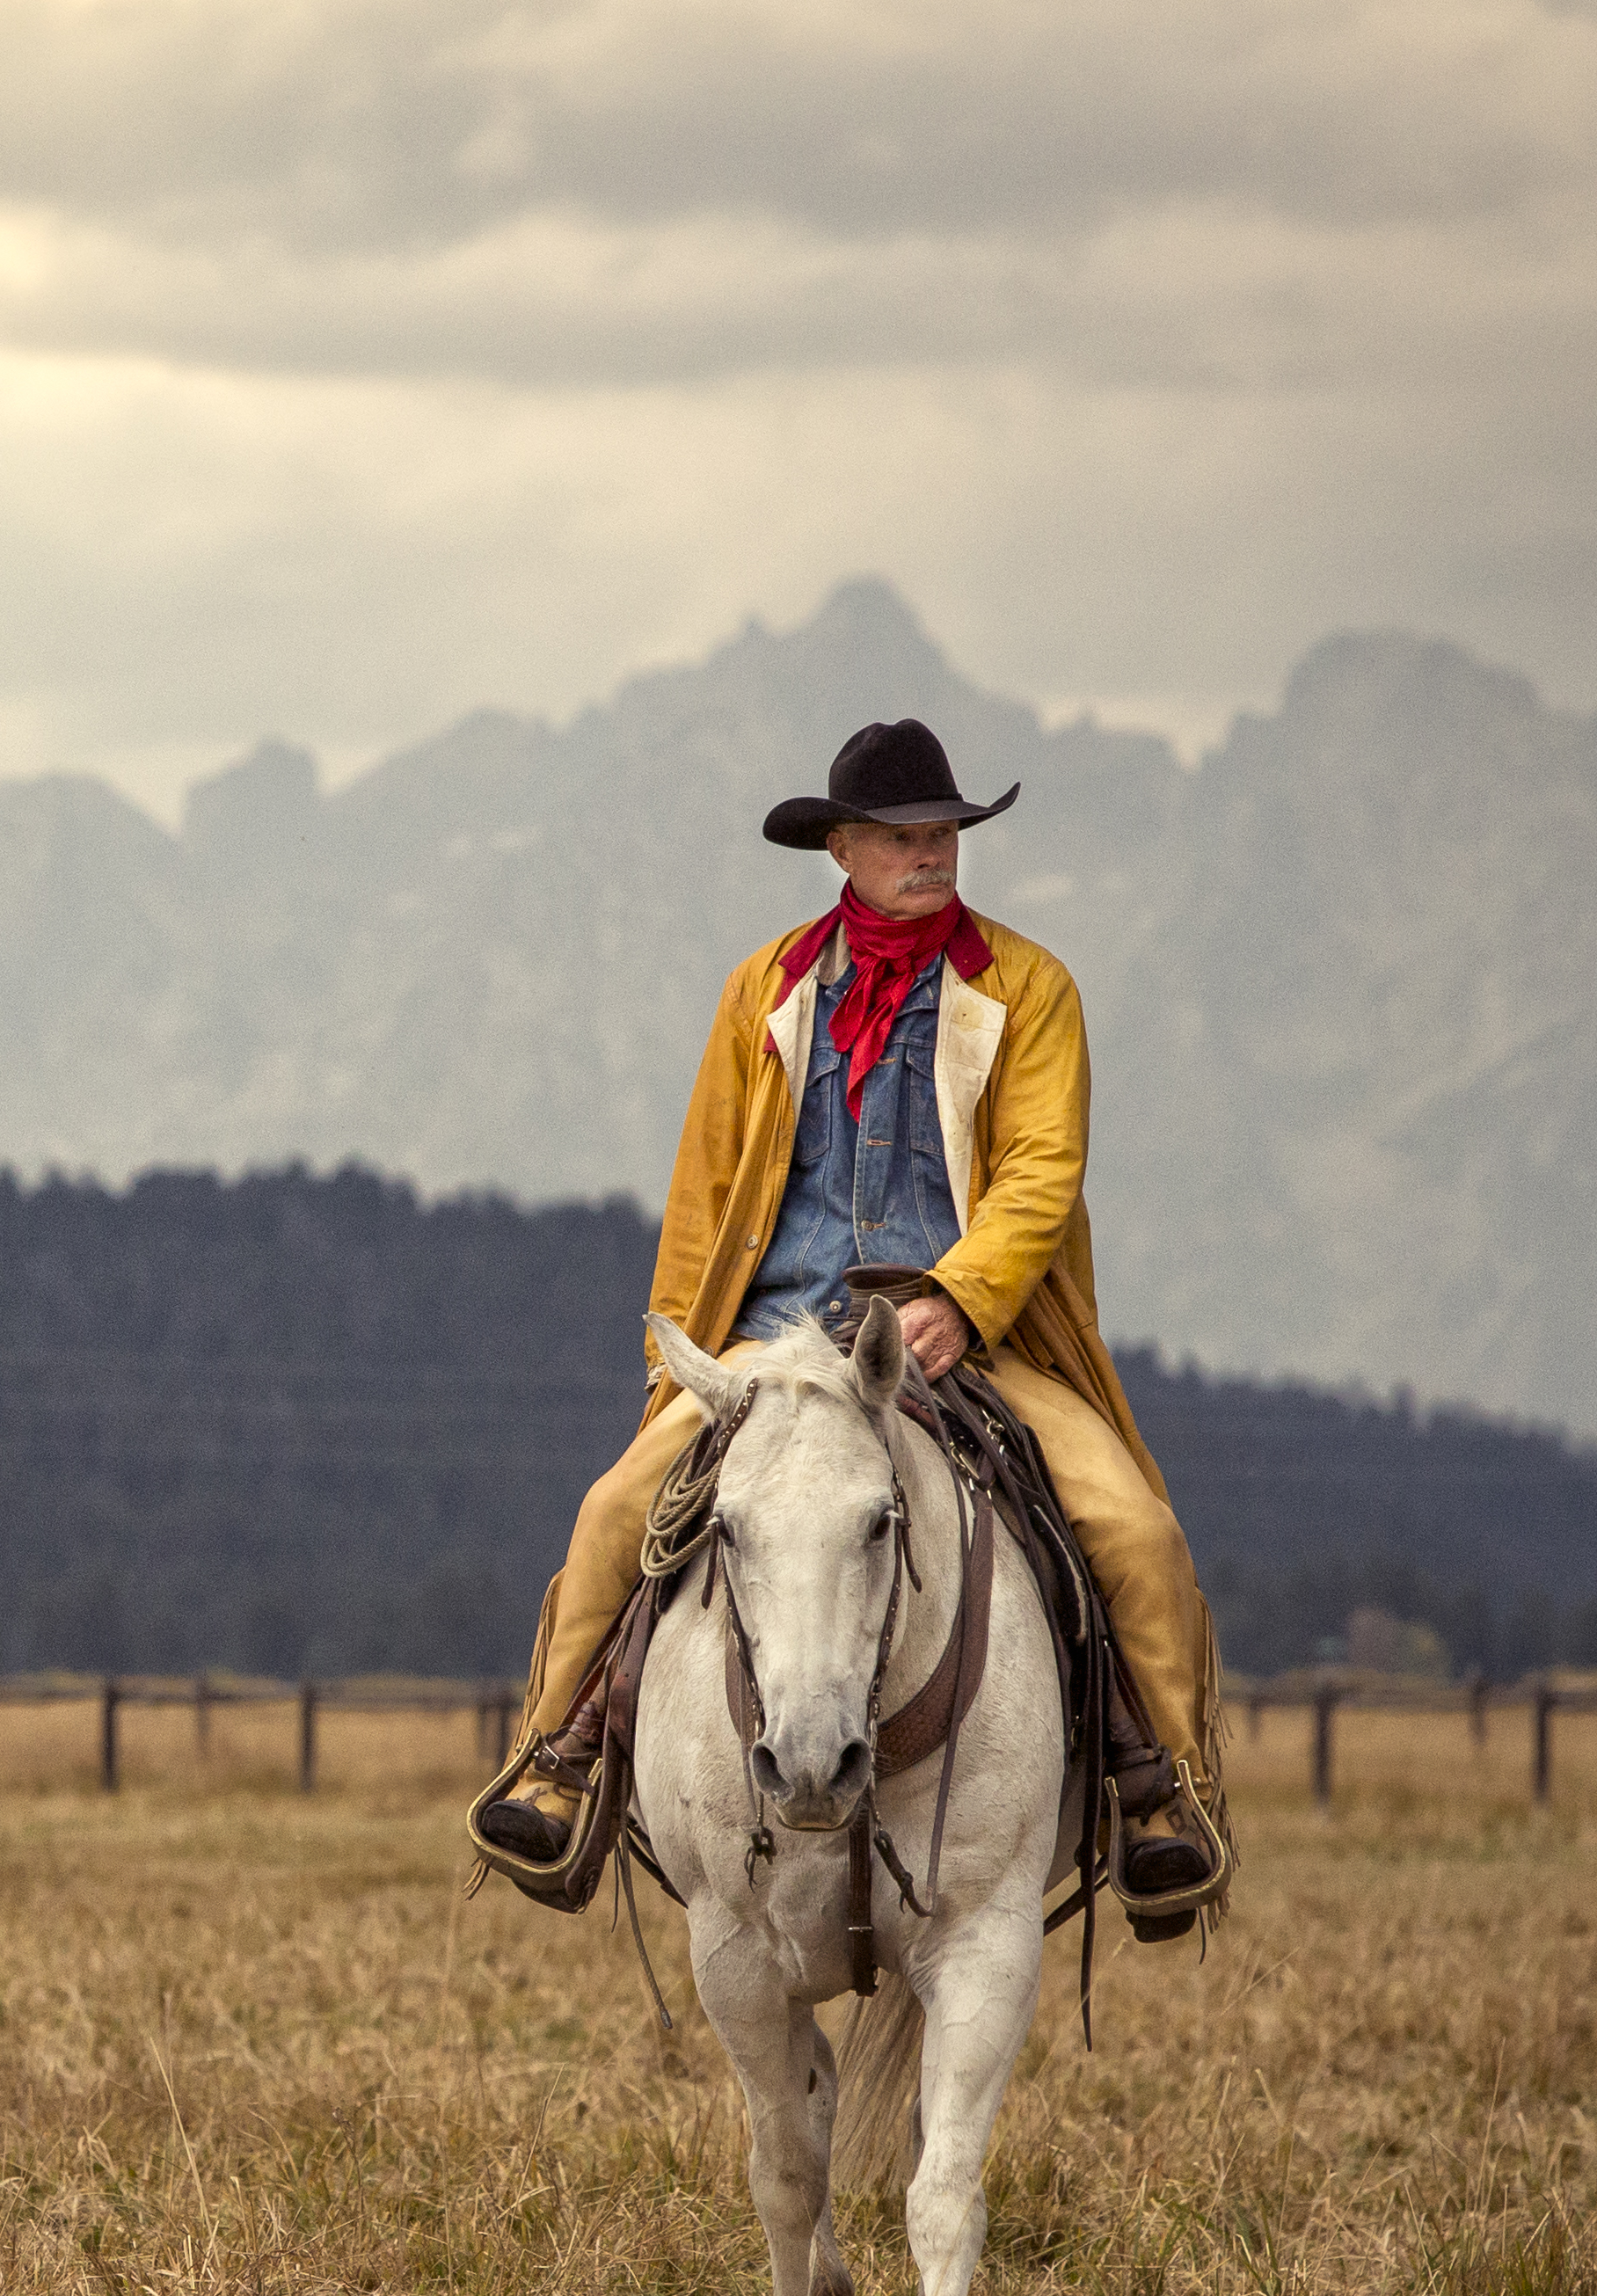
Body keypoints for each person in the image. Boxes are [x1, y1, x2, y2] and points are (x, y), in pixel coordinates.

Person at [469, 717, 1232, 1934]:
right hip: (778, 1340)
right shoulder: (763, 991)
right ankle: (560, 1768)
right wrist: (677, 1369)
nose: (931, 854)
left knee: (1134, 1532)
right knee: (617, 1511)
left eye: (943, 833)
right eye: (901, 836)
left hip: (976, 1338)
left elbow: (1042, 1173)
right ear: (843, 848)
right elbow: (705, 1192)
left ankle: (1163, 1799)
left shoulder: (1028, 989)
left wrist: (961, 1302)